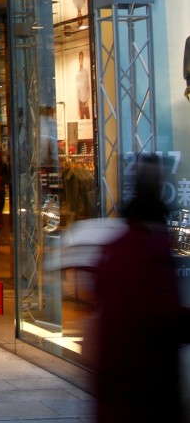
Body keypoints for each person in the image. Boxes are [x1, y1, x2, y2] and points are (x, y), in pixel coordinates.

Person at [91, 155, 190, 422]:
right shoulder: (150, 249)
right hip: (144, 385)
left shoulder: (117, 247)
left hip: (117, 382)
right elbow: (160, 314)